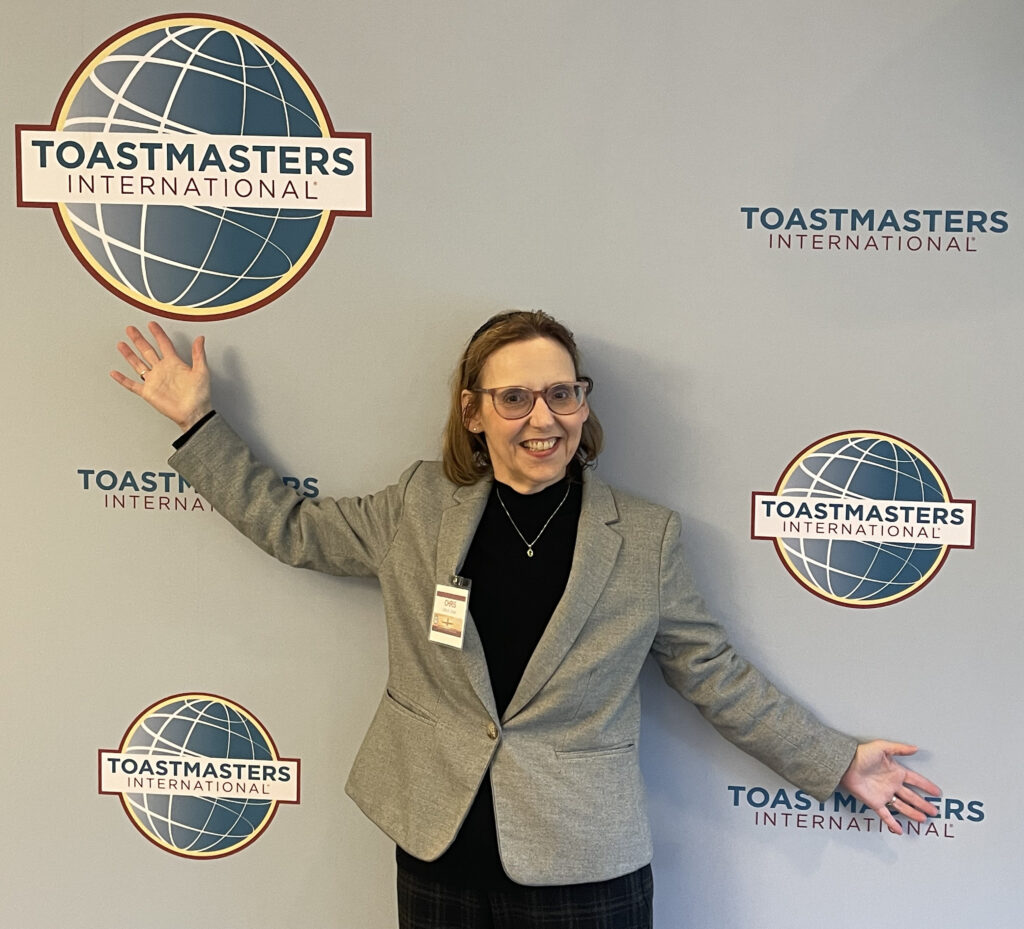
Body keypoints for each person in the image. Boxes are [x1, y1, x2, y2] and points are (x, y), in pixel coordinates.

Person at [111, 312, 940, 929]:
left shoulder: (645, 537)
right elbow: (295, 529)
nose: (543, 418)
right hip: (440, 847)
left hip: (583, 862)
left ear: (582, 404)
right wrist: (197, 425)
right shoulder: (419, 504)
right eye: (514, 397)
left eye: (561, 393)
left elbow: (712, 673)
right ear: (473, 411)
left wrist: (835, 760)